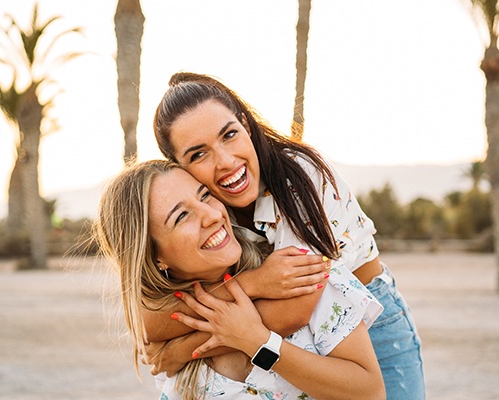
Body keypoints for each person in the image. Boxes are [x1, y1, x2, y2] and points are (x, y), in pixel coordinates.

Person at [150, 72, 425, 399]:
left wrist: (179, 351)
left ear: (246, 125)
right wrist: (255, 286)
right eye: (198, 154)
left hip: (370, 324)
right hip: (290, 339)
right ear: (178, 167)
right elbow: (152, 322)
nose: (225, 161)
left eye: (229, 135)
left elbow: (297, 306)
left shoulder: (301, 176)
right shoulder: (205, 209)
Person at [95, 159, 385, 399]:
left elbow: (370, 393)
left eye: (204, 195)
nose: (211, 215)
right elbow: (145, 322)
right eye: (182, 216)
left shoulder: (297, 273)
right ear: (155, 257)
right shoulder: (166, 336)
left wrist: (259, 342)